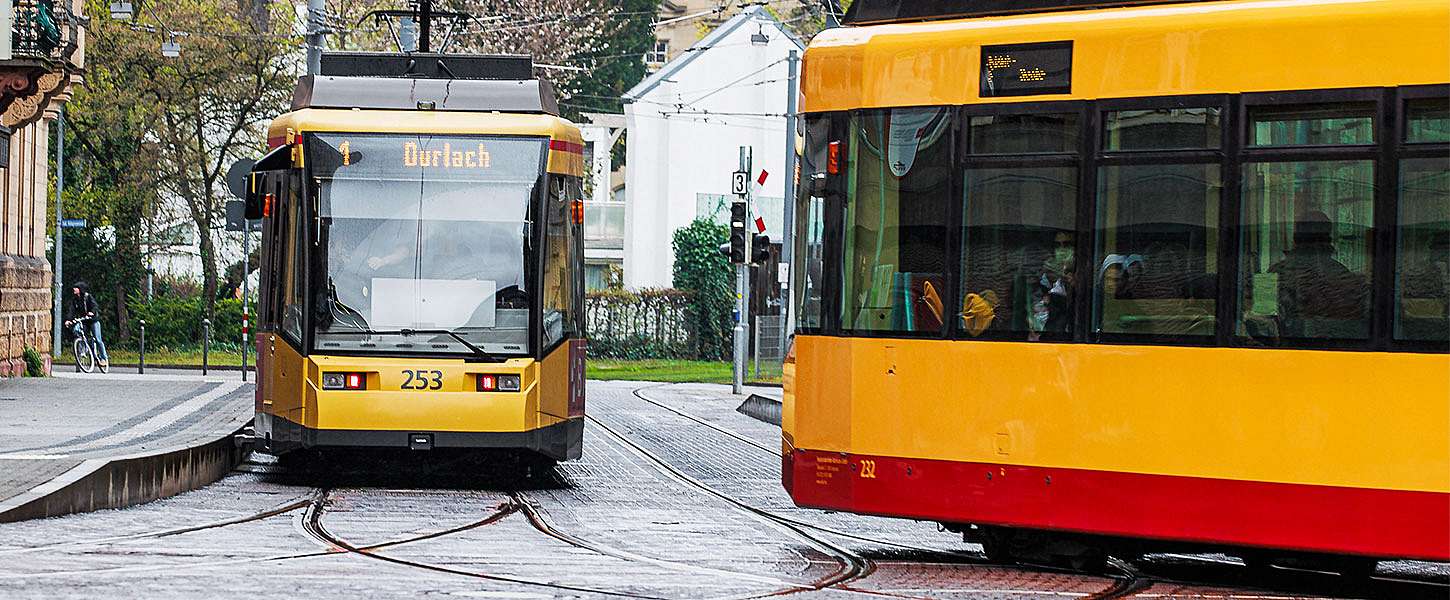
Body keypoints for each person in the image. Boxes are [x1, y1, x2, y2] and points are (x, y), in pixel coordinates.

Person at [64, 282, 109, 368]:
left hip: (92, 320)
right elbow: (71, 311)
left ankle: (104, 358)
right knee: (77, 330)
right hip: (84, 321)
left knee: (98, 339)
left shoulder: (87, 297)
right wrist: (68, 320)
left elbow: (95, 306)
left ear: (80, 289)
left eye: (76, 287)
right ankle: (83, 348)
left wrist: (92, 312)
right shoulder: (75, 300)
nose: (74, 289)